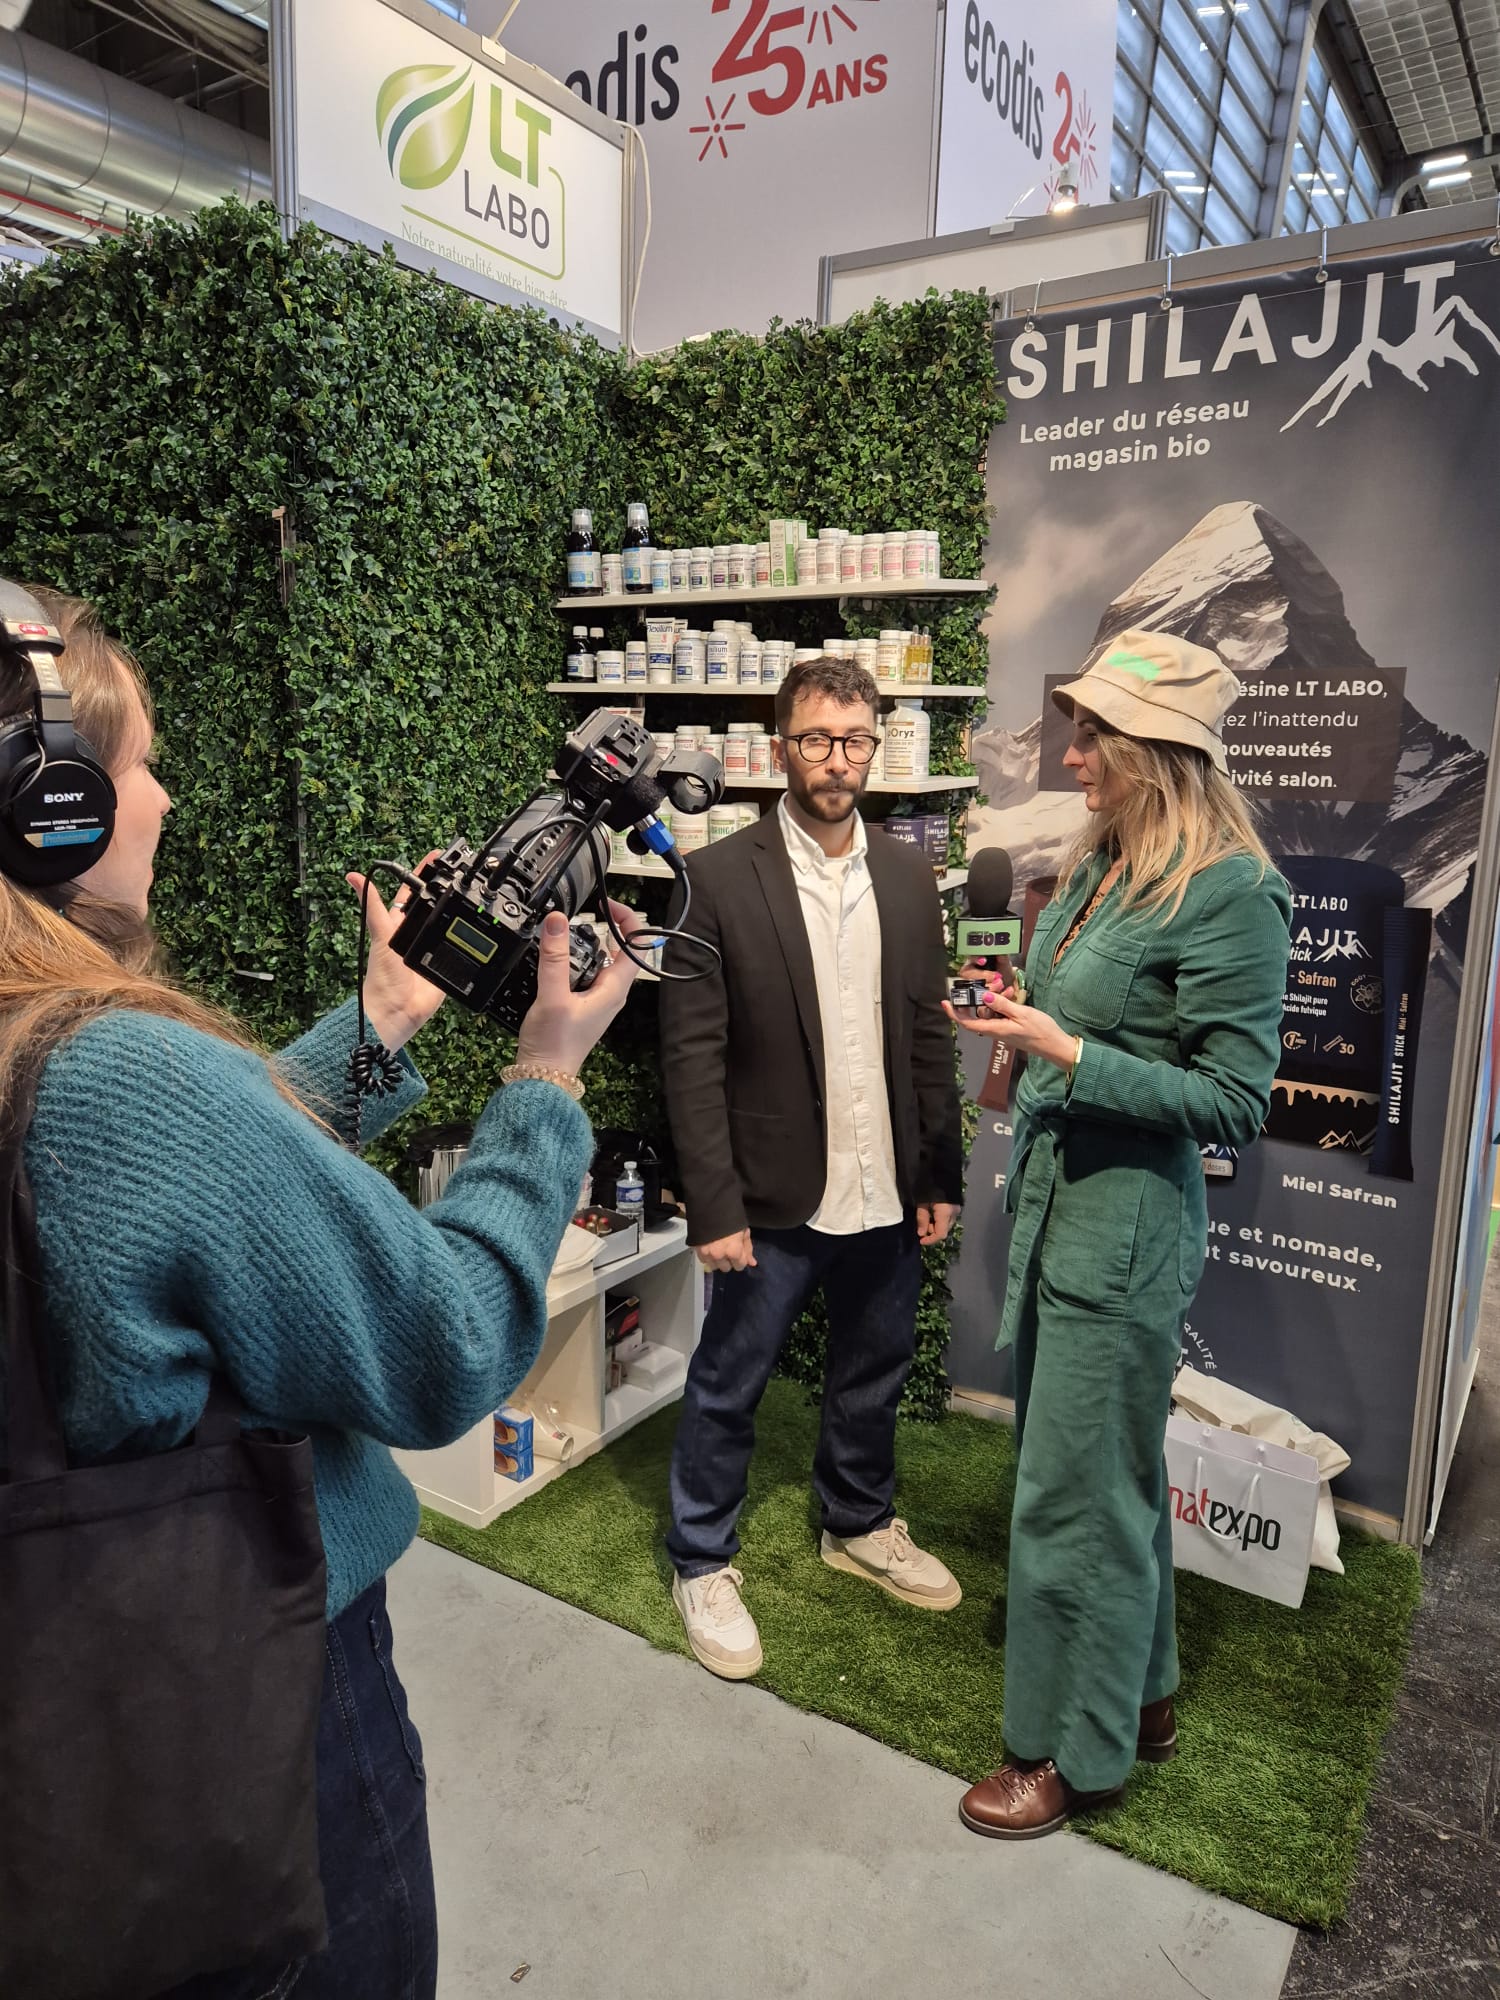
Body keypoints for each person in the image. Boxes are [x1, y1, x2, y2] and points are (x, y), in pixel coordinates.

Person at [0, 588, 638, 1995]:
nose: (165, 798)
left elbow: (176, 1197)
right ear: (48, 807)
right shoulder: (120, 1069)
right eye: (141, 763)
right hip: (251, 1695)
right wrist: (546, 1080)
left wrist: (385, 1018)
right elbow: (445, 1341)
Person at [947, 630, 1291, 1839]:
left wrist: (1071, 1052)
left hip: (1125, 1231)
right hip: (1059, 1208)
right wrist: (1020, 1014)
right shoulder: (1104, 861)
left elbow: (1235, 1101)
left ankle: (1065, 1754)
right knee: (1112, 1476)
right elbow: (1078, 1011)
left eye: (1095, 735)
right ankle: (1141, 1697)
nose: (1073, 754)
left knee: (1068, 1498)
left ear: (1157, 750)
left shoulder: (1233, 892)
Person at [658, 656, 965, 1680]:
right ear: (781, 747)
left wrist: (940, 1172)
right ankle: (701, 1557)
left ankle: (858, 1520)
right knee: (728, 1382)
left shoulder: (909, 877)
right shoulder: (715, 878)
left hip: (885, 1184)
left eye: (856, 740)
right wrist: (714, 1204)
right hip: (769, 1193)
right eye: (819, 740)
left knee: (874, 1370)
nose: (839, 760)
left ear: (875, 746)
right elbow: (691, 1058)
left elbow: (928, 1036)